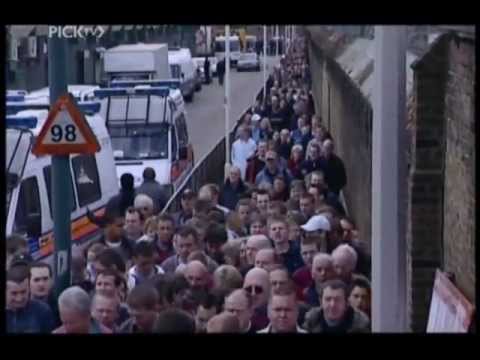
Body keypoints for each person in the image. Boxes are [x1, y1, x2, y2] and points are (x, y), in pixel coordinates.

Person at [303, 279, 370, 333]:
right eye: (328, 299)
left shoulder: (361, 325)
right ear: (321, 301)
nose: (332, 305)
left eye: (337, 300)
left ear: (347, 303)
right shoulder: (311, 322)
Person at [6, 265, 55, 333]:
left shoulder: (43, 310)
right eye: (14, 293)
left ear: (29, 288)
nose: (19, 298)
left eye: (23, 292)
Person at [29, 262, 60, 326]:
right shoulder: (20, 307)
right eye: (36, 280)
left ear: (51, 281)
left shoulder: (60, 308)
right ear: (28, 282)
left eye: (45, 279)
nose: (41, 284)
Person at [292, 237, 320, 302]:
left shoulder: (328, 271)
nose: (309, 256)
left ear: (319, 251)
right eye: (305, 253)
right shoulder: (298, 276)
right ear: (300, 255)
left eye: (312, 252)